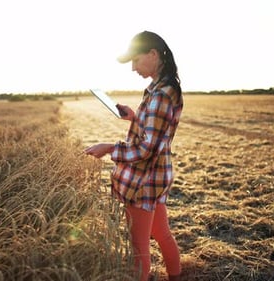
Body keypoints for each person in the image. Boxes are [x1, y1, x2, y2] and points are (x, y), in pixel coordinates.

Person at [84, 31, 183, 281]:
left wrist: (109, 148)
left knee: (138, 248)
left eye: (136, 61)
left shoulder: (160, 94)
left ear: (152, 54)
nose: (133, 68)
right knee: (161, 233)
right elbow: (158, 132)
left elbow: (147, 148)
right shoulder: (163, 88)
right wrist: (135, 117)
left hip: (144, 181)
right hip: (158, 176)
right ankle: (176, 275)